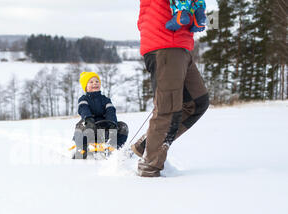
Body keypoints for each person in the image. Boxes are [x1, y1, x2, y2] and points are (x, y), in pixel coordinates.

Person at [132, 0, 210, 177]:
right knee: (168, 108)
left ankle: (147, 145)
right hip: (166, 43)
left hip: (180, 44)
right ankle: (150, 166)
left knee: (197, 102)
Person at [73, 72, 129, 159]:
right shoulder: (84, 99)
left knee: (122, 126)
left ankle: (115, 147)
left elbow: (110, 111)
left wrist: (112, 122)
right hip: (90, 126)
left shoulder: (105, 99)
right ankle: (83, 147)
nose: (95, 83)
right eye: (91, 82)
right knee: (83, 125)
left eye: (96, 81)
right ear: (85, 87)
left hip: (104, 127)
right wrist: (89, 119)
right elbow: (83, 109)